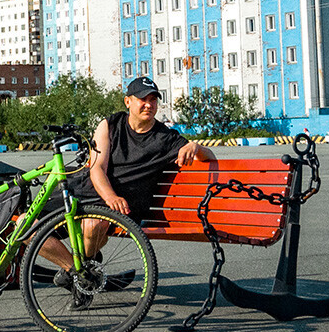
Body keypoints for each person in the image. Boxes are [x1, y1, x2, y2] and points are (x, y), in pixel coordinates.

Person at [44, 76, 214, 277]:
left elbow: (210, 157)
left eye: (153, 100)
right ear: (128, 101)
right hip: (89, 192)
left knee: (93, 224)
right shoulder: (110, 125)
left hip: (123, 206)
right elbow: (97, 168)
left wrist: (196, 147)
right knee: (25, 227)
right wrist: (110, 197)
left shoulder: (165, 138)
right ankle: (75, 272)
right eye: (143, 99)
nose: (148, 105)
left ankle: (81, 275)